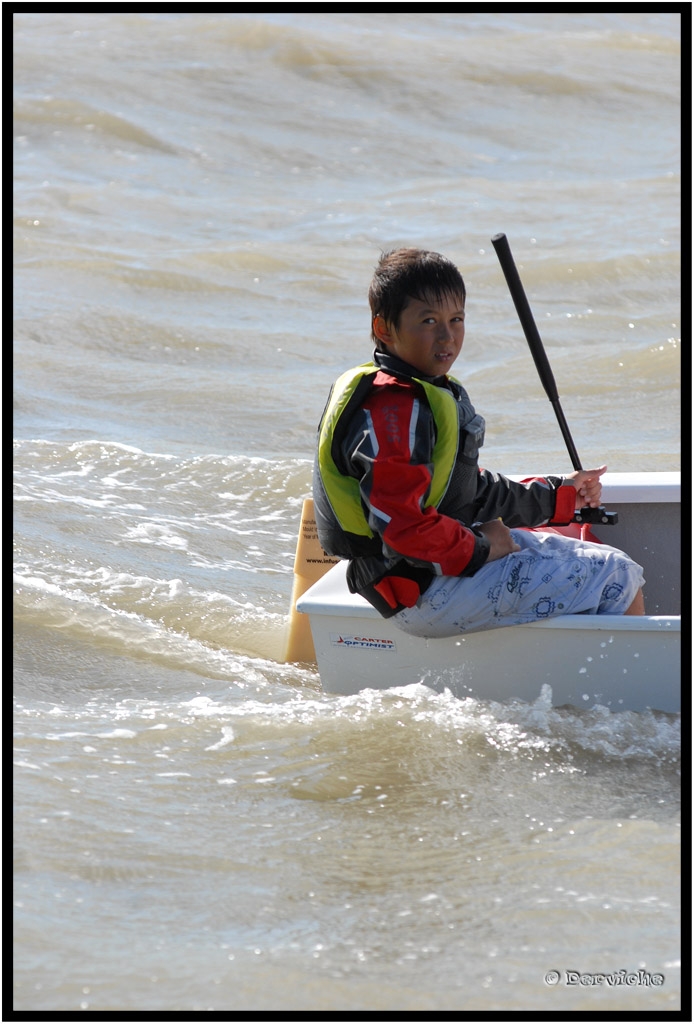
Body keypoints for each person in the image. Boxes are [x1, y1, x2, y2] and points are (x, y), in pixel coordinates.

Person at [312, 247, 645, 639]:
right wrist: (483, 546)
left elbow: (467, 490)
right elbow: (403, 529)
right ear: (384, 329)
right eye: (428, 321)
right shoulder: (392, 413)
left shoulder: (422, 394)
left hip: (440, 569)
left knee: (605, 560)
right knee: (618, 575)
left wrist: (560, 497)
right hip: (421, 592)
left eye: (456, 319)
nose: (447, 336)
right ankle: (629, 696)